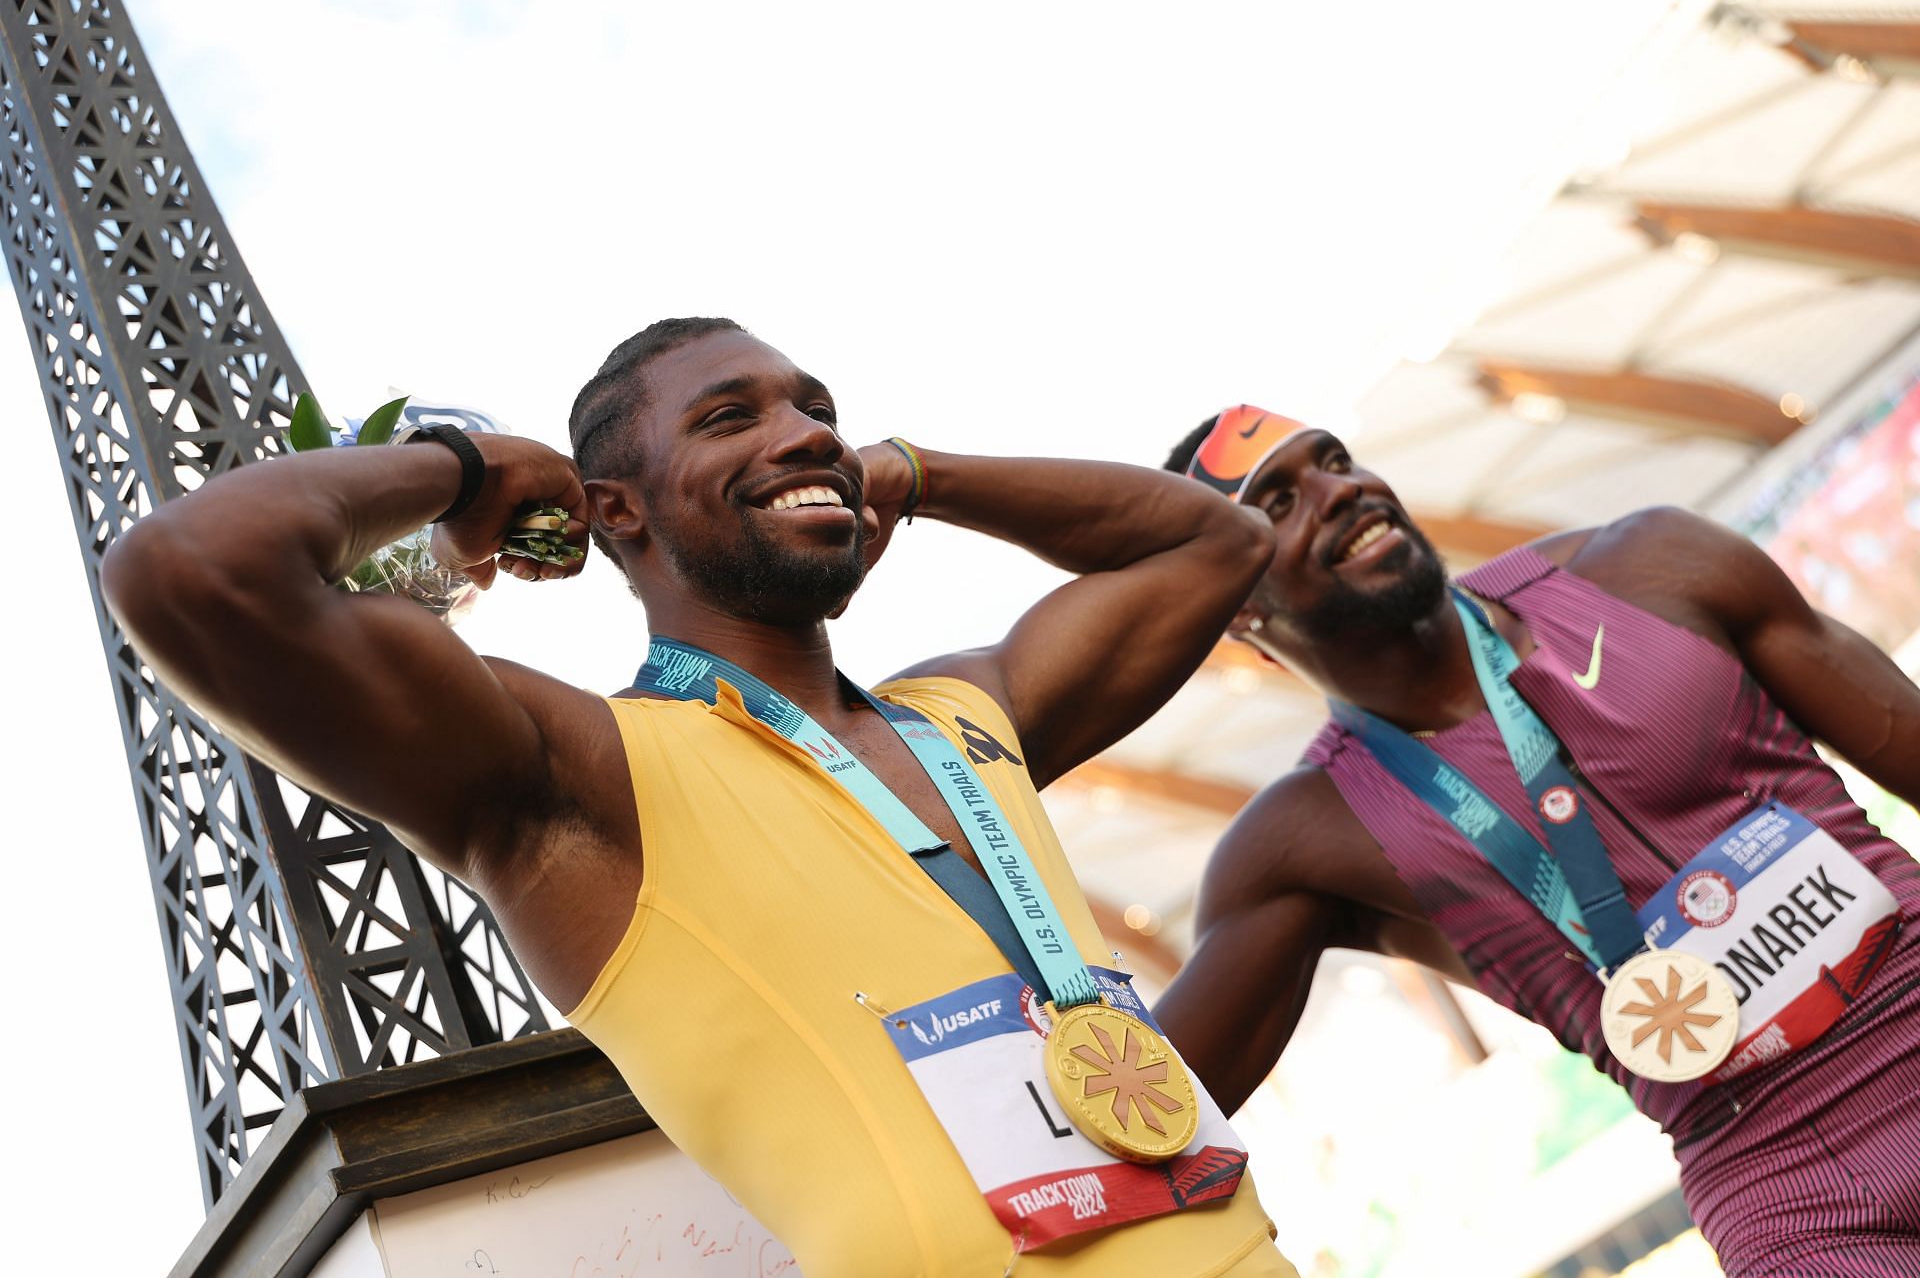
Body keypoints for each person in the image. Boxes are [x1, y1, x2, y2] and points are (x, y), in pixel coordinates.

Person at [100, 319, 1296, 1277]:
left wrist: (915, 472)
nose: (803, 432)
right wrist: (468, 467)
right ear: (616, 506)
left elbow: (1214, 544)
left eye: (815, 409)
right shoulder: (574, 775)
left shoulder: (966, 711)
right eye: (733, 417)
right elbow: (190, 570)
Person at [1153, 404, 1920, 1276]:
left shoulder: (1650, 567)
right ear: (1234, 605)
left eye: (1335, 460)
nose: (1341, 491)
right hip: (1793, 1187)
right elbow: (1141, 1128)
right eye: (1279, 502)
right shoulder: (1302, 843)